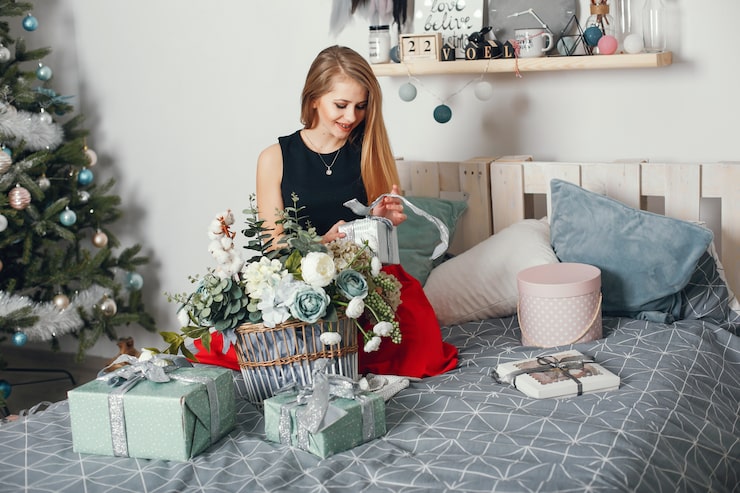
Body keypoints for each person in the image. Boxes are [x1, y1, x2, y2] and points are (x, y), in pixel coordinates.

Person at [194, 45, 458, 378]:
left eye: (361, 106)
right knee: (222, 345)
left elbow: (377, 248)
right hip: (296, 281)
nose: (352, 117)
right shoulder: (274, 158)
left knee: (423, 349)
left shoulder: (369, 151)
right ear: (314, 99)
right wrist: (321, 243)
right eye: (341, 105)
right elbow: (273, 245)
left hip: (361, 281)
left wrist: (382, 221)